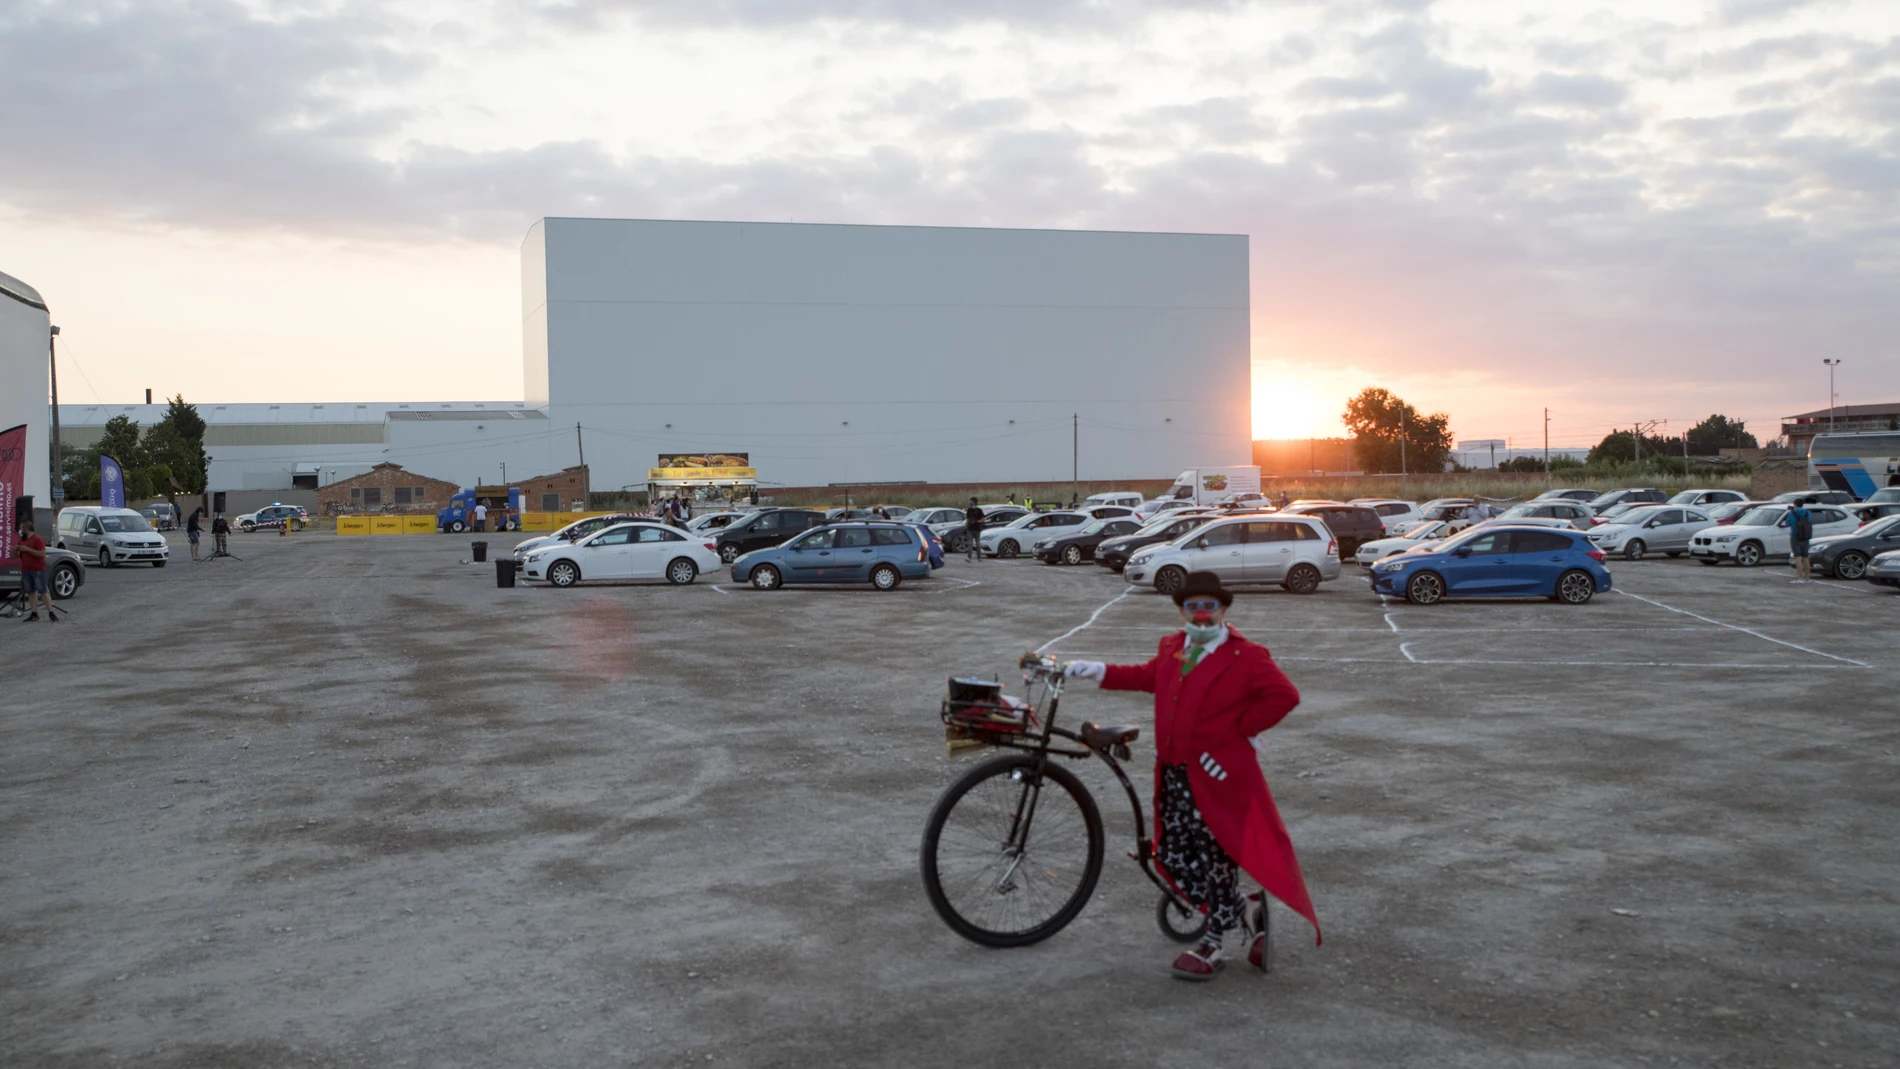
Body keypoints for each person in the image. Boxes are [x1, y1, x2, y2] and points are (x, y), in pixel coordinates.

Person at [1064, 571, 1318, 980]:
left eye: (1209, 606)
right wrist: (1095, 670)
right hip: (1175, 774)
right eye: (1192, 606)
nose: (1201, 614)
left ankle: (1215, 941)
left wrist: (1240, 729)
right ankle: (1245, 907)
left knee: (1215, 856)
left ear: (1223, 609)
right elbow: (1147, 677)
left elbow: (1284, 695)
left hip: (1217, 777)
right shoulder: (1174, 647)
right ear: (1181, 610)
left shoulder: (1246, 655)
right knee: (1173, 854)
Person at [16, 519, 54, 623]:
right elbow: (14, 556)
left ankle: (51, 612)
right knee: (31, 592)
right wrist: (16, 549)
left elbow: (42, 553)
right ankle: (34, 613)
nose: (20, 531)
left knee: (43, 591)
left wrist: (28, 549)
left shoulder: (37, 539)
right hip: (26, 570)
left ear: (26, 529)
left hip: (37, 569)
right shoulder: (22, 541)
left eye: (21, 529)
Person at [1788, 497, 1814, 581]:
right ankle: (1807, 577)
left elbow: (1788, 523)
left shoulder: (1792, 513)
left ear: (1795, 504)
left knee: (1797, 557)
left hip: (1795, 536)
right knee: (1805, 557)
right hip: (1806, 536)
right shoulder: (1807, 513)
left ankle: (1800, 577)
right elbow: (1809, 521)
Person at [963, 497, 984, 562]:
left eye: (971, 501)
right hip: (970, 529)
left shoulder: (979, 510)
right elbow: (967, 519)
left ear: (974, 502)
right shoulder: (969, 510)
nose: (970, 503)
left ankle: (979, 557)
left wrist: (977, 521)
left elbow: (983, 520)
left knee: (978, 544)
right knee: (970, 544)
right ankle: (969, 557)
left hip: (977, 529)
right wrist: (966, 527)